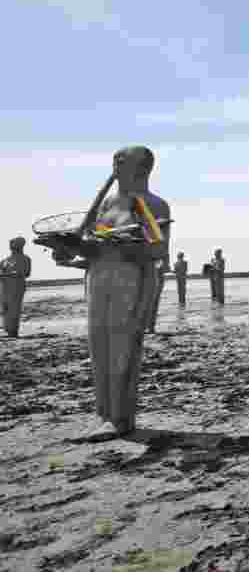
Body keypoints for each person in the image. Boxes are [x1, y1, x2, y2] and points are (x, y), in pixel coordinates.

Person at [52, 146, 170, 437]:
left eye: (123, 159)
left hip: (130, 280)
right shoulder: (106, 204)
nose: (115, 163)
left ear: (143, 167)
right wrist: (69, 249)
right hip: (98, 279)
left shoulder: (151, 204)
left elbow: (157, 249)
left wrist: (122, 245)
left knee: (123, 347)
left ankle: (121, 418)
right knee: (99, 347)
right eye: (115, 158)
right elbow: (93, 248)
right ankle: (104, 415)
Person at [0, 237, 32, 337]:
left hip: (17, 286)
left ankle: (13, 331)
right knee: (5, 308)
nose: (12, 246)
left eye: (14, 244)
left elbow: (26, 273)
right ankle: (7, 329)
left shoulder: (25, 259)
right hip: (4, 286)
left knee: (14, 309)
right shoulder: (5, 260)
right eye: (11, 244)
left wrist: (11, 274)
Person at [144, 254, 168, 333]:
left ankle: (150, 327)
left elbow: (158, 266)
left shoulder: (158, 260)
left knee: (152, 305)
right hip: (152, 283)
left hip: (154, 284)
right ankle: (149, 326)